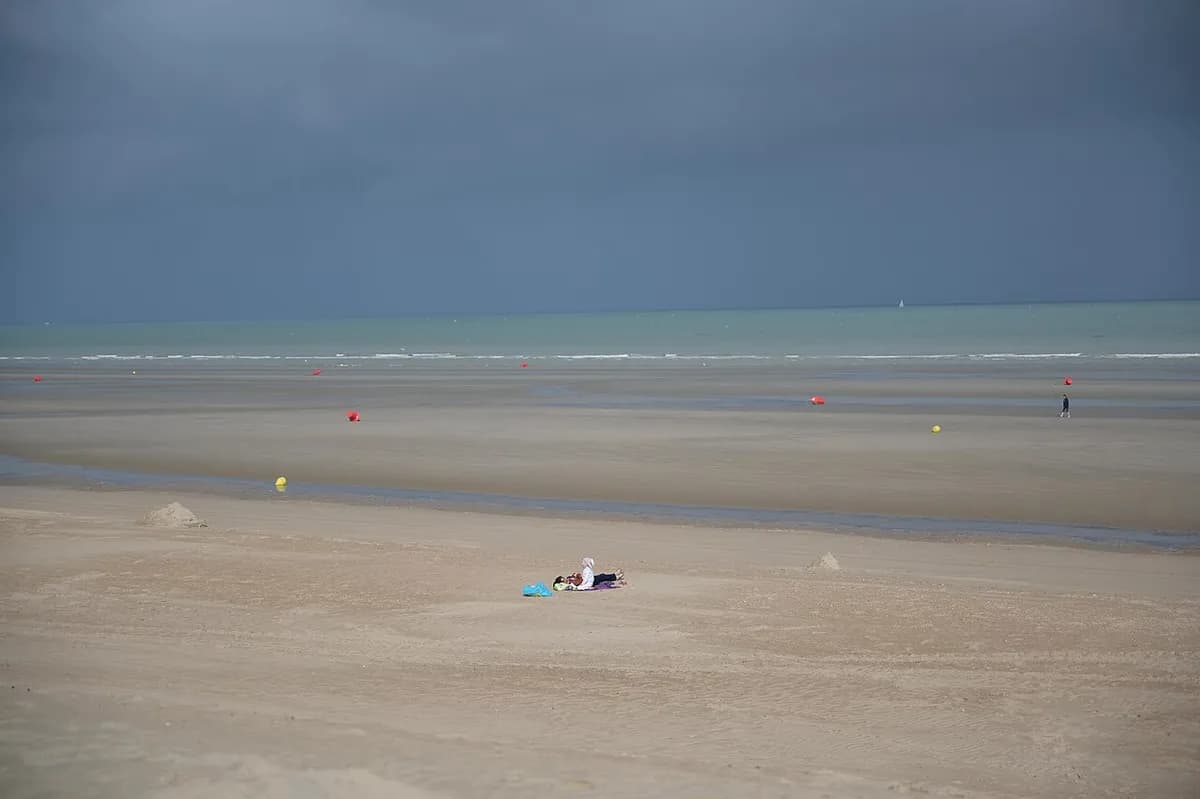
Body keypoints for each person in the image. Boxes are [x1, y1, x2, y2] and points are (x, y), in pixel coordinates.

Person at [554, 557, 624, 590]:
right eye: (563, 580)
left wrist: (574, 575)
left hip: (586, 579)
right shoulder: (571, 584)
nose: (565, 580)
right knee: (602, 577)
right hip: (588, 582)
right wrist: (577, 576)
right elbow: (579, 582)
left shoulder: (569, 579)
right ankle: (616, 576)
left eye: (563, 578)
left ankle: (615, 575)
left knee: (602, 576)